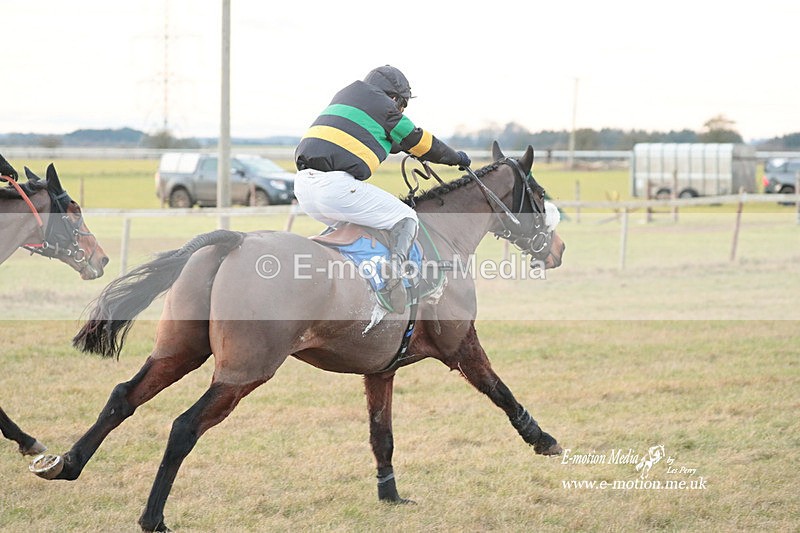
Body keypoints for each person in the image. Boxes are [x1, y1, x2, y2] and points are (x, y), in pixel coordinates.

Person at [294, 65, 470, 312]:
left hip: (304, 188)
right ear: (394, 98)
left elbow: (378, 137)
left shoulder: (347, 95)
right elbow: (420, 140)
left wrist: (402, 145)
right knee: (406, 216)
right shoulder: (384, 106)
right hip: (334, 187)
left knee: (355, 227)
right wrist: (456, 158)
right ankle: (394, 277)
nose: (400, 111)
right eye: (402, 106)